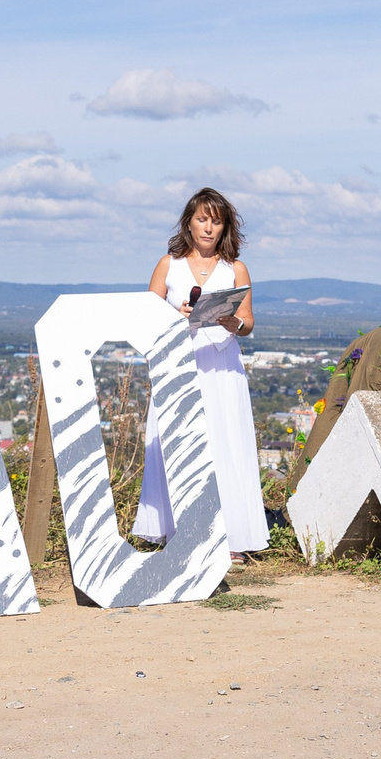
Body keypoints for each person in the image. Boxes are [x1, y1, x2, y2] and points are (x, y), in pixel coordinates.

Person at [135, 187, 270, 558]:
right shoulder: (169, 265)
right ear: (189, 223)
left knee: (224, 444)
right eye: (202, 219)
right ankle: (174, 532)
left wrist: (233, 323)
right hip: (180, 363)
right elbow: (145, 317)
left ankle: (230, 538)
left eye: (216, 221)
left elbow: (249, 324)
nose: (208, 228)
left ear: (225, 227)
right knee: (175, 443)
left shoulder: (235, 269)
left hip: (222, 366)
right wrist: (171, 315)